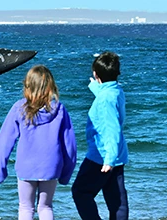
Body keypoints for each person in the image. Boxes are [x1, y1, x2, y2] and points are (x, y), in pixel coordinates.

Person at [0, 65, 77, 220]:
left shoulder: (19, 108)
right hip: (51, 167)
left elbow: (4, 142)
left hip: (26, 167)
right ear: (51, 86)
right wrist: (66, 174)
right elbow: (70, 146)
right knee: (46, 207)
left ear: (27, 85)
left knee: (26, 208)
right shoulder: (59, 110)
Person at [71, 51, 129, 220]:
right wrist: (96, 88)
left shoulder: (105, 99)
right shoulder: (116, 91)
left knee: (80, 192)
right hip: (117, 154)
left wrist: (109, 159)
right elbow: (107, 95)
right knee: (116, 200)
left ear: (95, 74)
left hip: (102, 157)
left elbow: (112, 129)